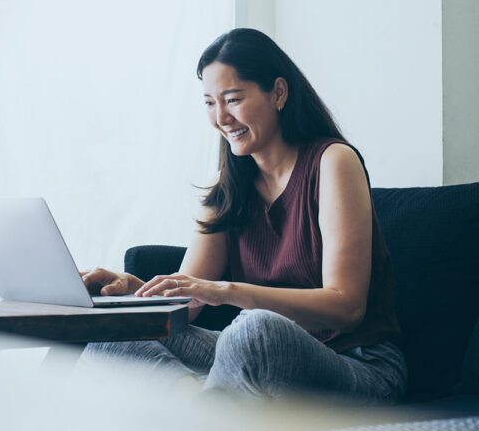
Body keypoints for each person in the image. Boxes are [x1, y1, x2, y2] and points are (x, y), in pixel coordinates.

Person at [80, 28, 406, 403]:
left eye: (233, 99)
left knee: (254, 329)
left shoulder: (333, 162)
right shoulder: (228, 188)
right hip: (256, 357)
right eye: (208, 103)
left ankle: (196, 414)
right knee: (116, 329)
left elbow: (347, 307)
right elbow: (189, 299)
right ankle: (200, 410)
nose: (221, 118)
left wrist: (228, 291)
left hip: (358, 364)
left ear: (278, 93)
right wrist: (129, 289)